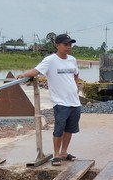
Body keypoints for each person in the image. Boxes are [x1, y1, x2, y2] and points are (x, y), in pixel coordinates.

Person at [17, 34, 82, 166]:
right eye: (66, 44)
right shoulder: (50, 60)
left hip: (74, 101)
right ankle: (56, 154)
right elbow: (36, 71)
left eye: (70, 44)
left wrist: (75, 87)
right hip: (60, 102)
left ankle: (64, 152)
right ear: (57, 45)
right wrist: (24, 75)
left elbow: (76, 74)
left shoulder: (72, 60)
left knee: (70, 129)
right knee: (59, 128)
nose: (69, 47)